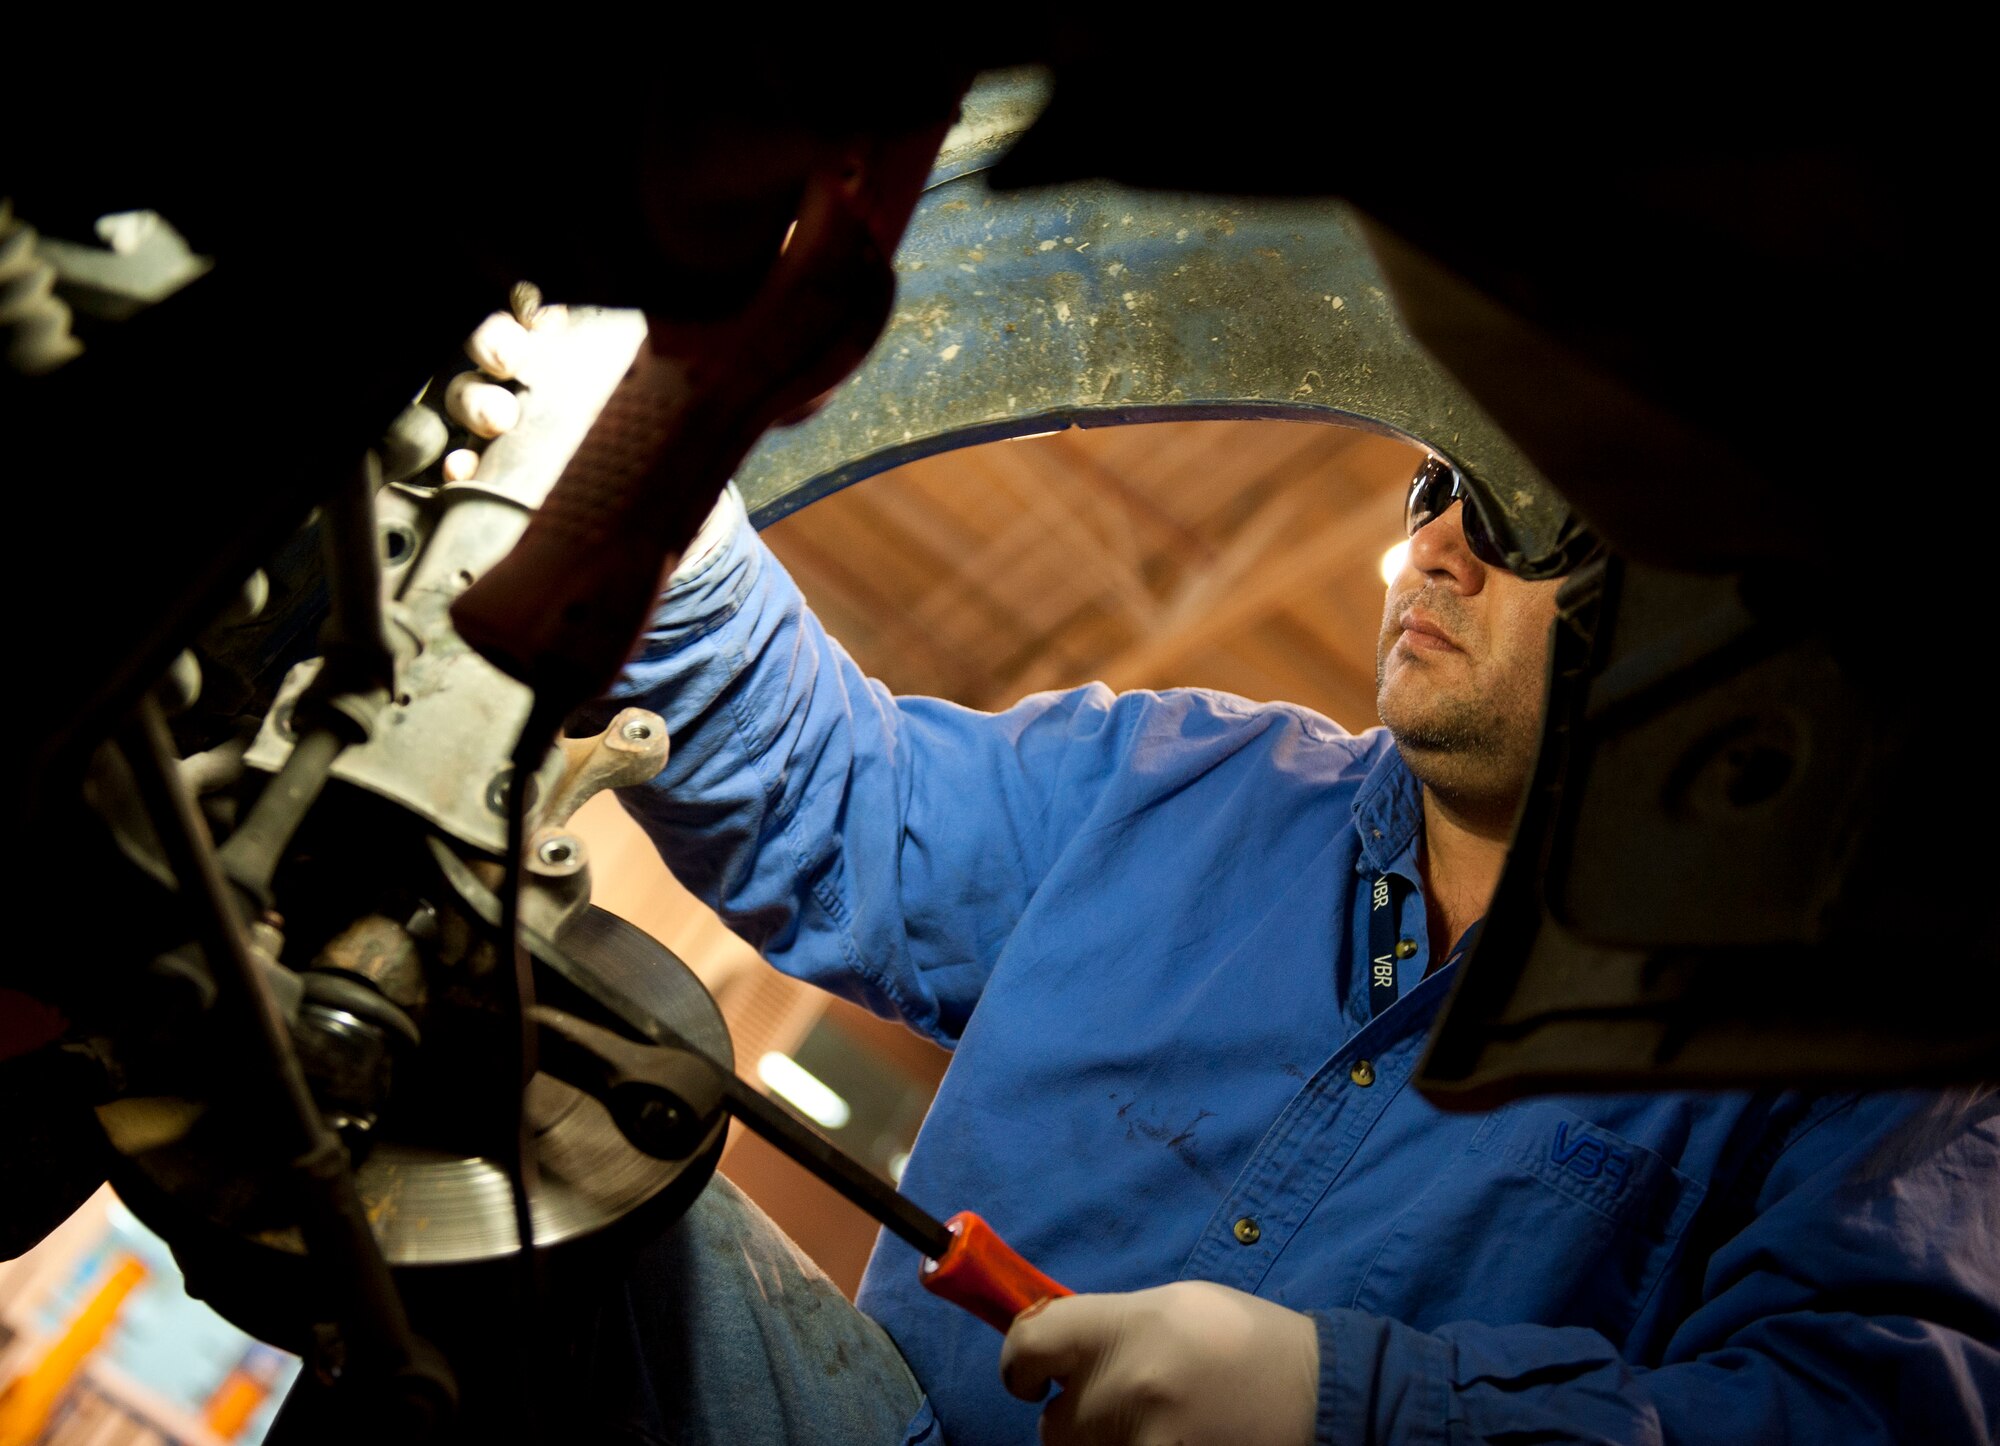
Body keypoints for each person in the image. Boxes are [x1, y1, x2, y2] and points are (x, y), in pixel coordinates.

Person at [448, 313, 1999, 1446]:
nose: (1440, 548)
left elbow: (1871, 1410)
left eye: (1528, 525)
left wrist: (1346, 1410)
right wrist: (654, 504)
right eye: (1433, 490)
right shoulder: (1181, 783)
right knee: (504, 1172)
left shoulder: (1851, 1049)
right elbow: (848, 803)